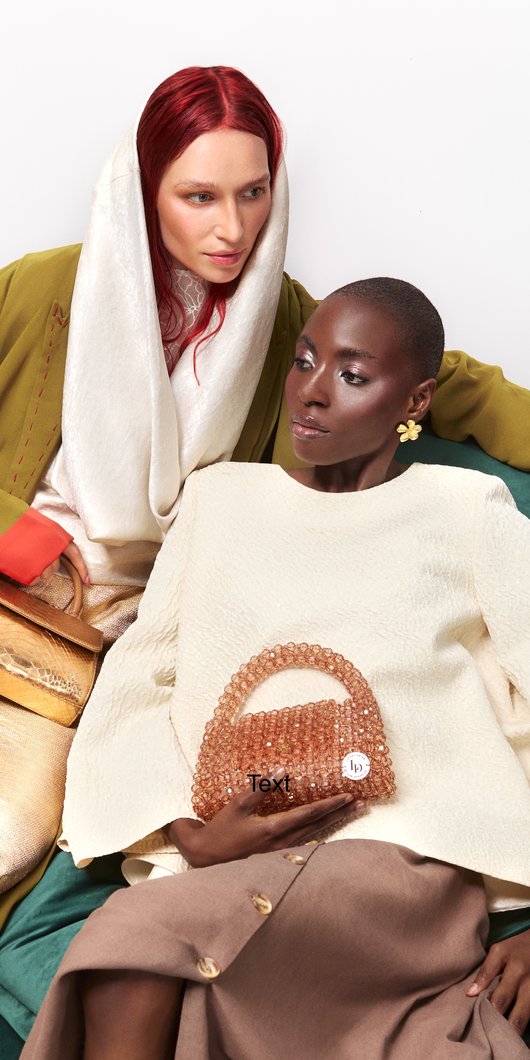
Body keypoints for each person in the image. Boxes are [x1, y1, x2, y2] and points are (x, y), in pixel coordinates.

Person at [2, 63, 530, 1052]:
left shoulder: (288, 318)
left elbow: (433, 373)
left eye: (253, 194)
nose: (230, 229)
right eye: (197, 195)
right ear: (145, 185)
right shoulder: (43, 293)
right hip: (20, 611)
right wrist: (20, 535)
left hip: (136, 643)